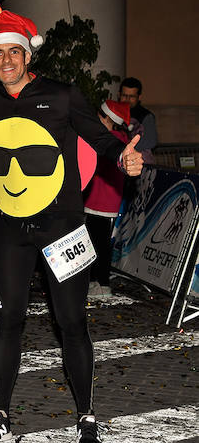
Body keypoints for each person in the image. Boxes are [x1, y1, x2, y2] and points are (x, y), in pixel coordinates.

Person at [0, 11, 143, 443]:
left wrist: (124, 156)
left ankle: (87, 417)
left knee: (71, 322)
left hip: (62, 225)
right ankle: (1, 413)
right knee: (7, 318)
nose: (7, 59)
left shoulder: (63, 95)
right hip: (12, 227)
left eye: (14, 51)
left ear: (28, 55)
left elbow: (100, 139)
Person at [85, 100, 130, 298]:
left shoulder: (110, 141)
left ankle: (101, 283)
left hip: (101, 202)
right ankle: (98, 282)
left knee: (98, 245)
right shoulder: (118, 139)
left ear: (106, 119)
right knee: (97, 244)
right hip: (102, 201)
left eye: (99, 116)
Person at [118, 77, 156, 164]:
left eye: (131, 96)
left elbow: (150, 142)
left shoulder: (146, 116)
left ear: (139, 97)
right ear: (119, 95)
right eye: (124, 95)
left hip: (140, 164)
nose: (127, 100)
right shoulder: (114, 113)